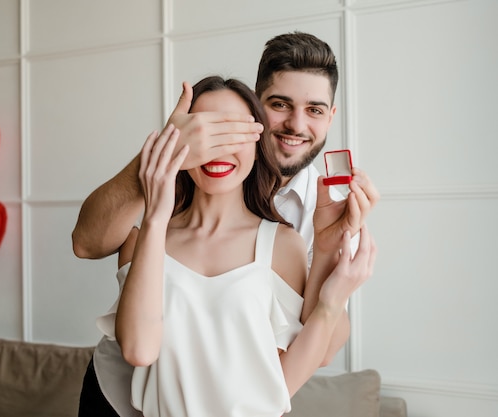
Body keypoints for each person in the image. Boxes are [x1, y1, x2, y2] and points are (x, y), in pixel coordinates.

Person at [75, 32, 380, 416]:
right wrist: (163, 156)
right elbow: (86, 244)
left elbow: (314, 348)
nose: (295, 125)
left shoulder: (308, 220)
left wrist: (328, 249)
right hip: (115, 396)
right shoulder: (155, 223)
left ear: (330, 116)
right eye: (280, 104)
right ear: (257, 108)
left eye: (315, 109)